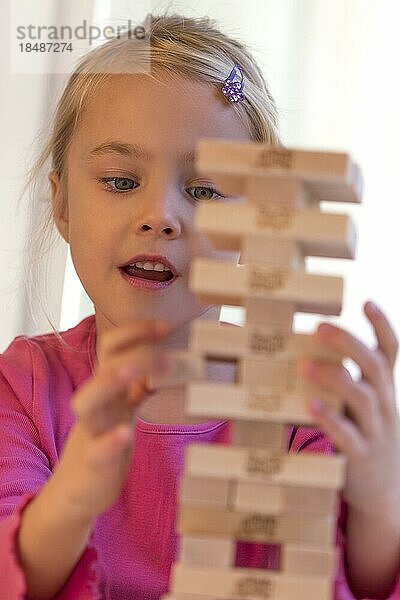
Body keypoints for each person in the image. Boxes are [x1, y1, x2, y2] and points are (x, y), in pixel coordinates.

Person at [0, 12, 399, 600]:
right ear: (61, 206)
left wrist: (378, 504)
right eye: (119, 180)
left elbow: (358, 583)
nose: (159, 215)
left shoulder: (300, 405)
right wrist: (72, 499)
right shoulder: (26, 388)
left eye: (205, 191)